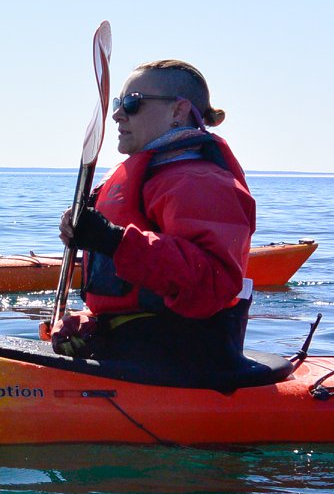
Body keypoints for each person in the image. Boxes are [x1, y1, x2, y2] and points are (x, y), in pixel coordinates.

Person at [53, 58, 256, 374]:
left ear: (178, 111)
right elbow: (135, 295)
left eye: (133, 103)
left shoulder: (201, 182)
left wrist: (113, 240)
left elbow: (213, 284)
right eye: (119, 102)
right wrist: (87, 323)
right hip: (132, 353)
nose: (118, 113)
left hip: (184, 364)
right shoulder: (148, 176)